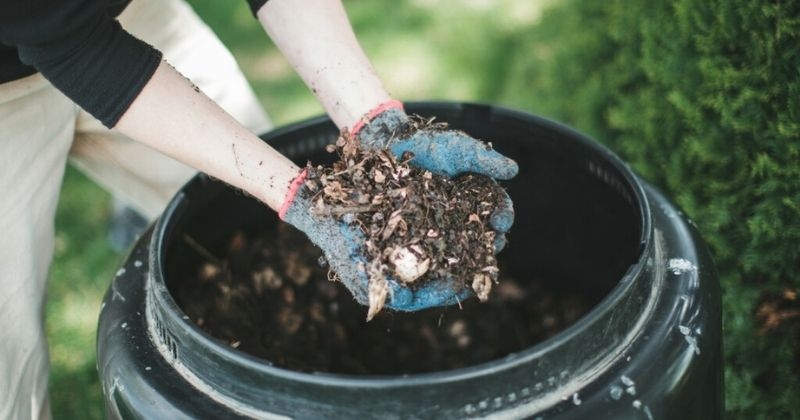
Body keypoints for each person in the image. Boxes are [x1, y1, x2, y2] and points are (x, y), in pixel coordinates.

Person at [0, 0, 518, 417]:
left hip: (112, 15)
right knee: (10, 364)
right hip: (28, 66)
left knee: (254, 240)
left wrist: (375, 121)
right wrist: (299, 195)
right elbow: (70, 43)